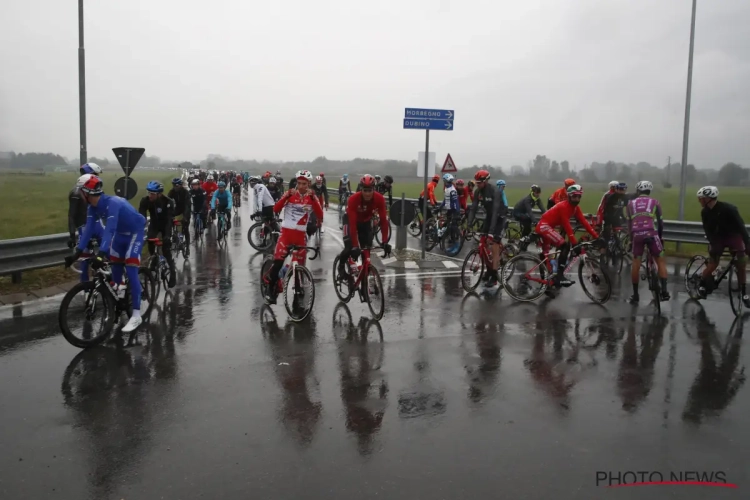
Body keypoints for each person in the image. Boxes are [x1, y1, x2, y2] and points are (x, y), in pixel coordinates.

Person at [65, 175, 147, 333]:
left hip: (134, 233)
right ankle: (121, 295)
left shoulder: (113, 203)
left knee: (130, 268)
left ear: (87, 192)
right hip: (120, 235)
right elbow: (88, 231)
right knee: (115, 271)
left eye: (80, 192)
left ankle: (136, 315)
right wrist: (76, 255)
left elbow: (109, 229)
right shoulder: (93, 208)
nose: (79, 196)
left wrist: (101, 254)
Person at [262, 170, 324, 304]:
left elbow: (320, 215)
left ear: (309, 184)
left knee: (299, 265)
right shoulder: (290, 194)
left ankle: (298, 284)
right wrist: (285, 197)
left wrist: (314, 200)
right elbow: (276, 209)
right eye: (299, 183)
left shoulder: (312, 197)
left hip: (300, 236)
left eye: (304, 184)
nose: (301, 186)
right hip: (286, 235)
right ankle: (270, 288)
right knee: (278, 263)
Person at [536, 184, 599, 288]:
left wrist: (596, 236)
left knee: (545, 256)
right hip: (544, 226)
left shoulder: (575, 208)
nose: (577, 199)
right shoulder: (564, 207)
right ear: (569, 196)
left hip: (547, 226)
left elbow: (584, 222)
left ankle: (546, 283)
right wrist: (574, 243)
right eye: (574, 196)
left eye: (579, 196)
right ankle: (560, 277)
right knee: (565, 245)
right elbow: (567, 226)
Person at [696, 186, 750, 306]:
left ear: (708, 199)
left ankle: (744, 293)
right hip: (717, 238)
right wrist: (712, 241)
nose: (699, 200)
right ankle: (702, 284)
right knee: (713, 264)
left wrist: (747, 244)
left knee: (741, 263)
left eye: (701, 198)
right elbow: (707, 229)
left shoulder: (729, 209)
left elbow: (741, 227)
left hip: (733, 235)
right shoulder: (705, 212)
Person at [337, 175, 391, 294]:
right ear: (361, 189)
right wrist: (355, 245)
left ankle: (364, 284)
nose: (367, 193)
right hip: (350, 221)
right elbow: (353, 225)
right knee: (349, 246)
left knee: (366, 252)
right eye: (365, 190)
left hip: (365, 223)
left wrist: (385, 241)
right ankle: (341, 266)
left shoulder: (380, 199)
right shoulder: (353, 199)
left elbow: (383, 221)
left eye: (370, 190)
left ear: (374, 189)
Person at [626, 181, 669, 303]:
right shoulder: (655, 202)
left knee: (636, 263)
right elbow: (660, 223)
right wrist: (660, 237)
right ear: (649, 191)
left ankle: (635, 295)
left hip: (637, 235)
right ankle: (665, 291)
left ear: (638, 191)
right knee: (660, 260)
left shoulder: (630, 204)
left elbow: (629, 224)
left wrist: (630, 240)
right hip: (651, 233)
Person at [466, 170, 506, 287]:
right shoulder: (478, 191)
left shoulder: (495, 191)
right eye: (476, 182)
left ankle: (494, 276)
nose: (477, 184)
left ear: (486, 180)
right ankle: (488, 271)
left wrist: (492, 233)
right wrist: (468, 225)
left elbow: (495, 212)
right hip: (489, 217)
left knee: (493, 244)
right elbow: (473, 209)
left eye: (480, 182)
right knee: (483, 242)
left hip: (499, 217)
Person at [139, 181, 177, 288]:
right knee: (151, 241)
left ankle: (173, 273)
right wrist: (139, 232)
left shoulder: (168, 202)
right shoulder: (145, 201)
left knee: (166, 250)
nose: (150, 195)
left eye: (153, 194)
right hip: (154, 224)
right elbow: (141, 217)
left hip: (166, 225)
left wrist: (167, 236)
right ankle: (154, 259)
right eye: (149, 193)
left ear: (159, 194)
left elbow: (169, 220)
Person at [68, 174, 105, 282]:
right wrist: (72, 235)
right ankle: (85, 287)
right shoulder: (76, 194)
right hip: (84, 226)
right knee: (84, 258)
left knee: (107, 251)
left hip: (97, 223)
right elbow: (71, 215)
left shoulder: (95, 192)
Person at [168, 178, 191, 254]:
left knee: (185, 228)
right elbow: (167, 202)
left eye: (177, 185)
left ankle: (187, 247)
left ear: (181, 185)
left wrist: (185, 217)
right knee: (169, 219)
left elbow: (187, 205)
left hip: (186, 208)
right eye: (174, 185)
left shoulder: (185, 192)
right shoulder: (172, 191)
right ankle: (173, 236)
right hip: (178, 208)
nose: (175, 187)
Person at [440, 174, 461, 253]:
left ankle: (456, 245)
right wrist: (440, 207)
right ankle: (452, 245)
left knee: (453, 229)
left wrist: (456, 214)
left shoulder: (452, 190)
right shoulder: (447, 189)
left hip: (454, 211)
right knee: (449, 229)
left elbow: (455, 202)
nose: (445, 183)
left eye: (446, 181)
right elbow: (445, 200)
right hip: (449, 210)